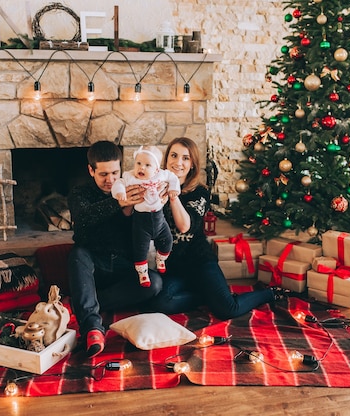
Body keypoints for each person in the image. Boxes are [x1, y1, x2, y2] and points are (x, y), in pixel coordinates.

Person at [147, 137, 276, 320]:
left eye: (185, 158)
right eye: (174, 156)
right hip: (173, 267)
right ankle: (204, 297)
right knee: (159, 303)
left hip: (199, 262)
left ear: (192, 164)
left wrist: (173, 196)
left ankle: (269, 293)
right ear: (166, 159)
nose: (178, 162)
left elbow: (184, 227)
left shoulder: (200, 192)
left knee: (227, 309)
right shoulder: (156, 187)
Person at [67, 141, 163, 358]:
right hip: (93, 264)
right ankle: (92, 327)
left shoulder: (135, 188)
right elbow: (83, 220)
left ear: (122, 168)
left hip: (123, 267)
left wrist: (155, 204)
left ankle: (85, 302)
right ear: (91, 170)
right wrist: (117, 203)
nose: (110, 180)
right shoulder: (79, 193)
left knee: (154, 283)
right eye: (103, 174)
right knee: (77, 254)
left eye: (114, 172)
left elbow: (150, 230)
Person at [111, 145, 180, 287]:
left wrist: (173, 189)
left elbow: (173, 178)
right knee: (140, 249)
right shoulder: (130, 177)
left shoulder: (161, 175)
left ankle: (161, 259)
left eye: (147, 165)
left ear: (156, 169)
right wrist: (119, 192)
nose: (141, 168)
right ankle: (143, 273)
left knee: (168, 241)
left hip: (159, 220)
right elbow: (119, 183)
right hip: (141, 222)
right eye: (138, 163)